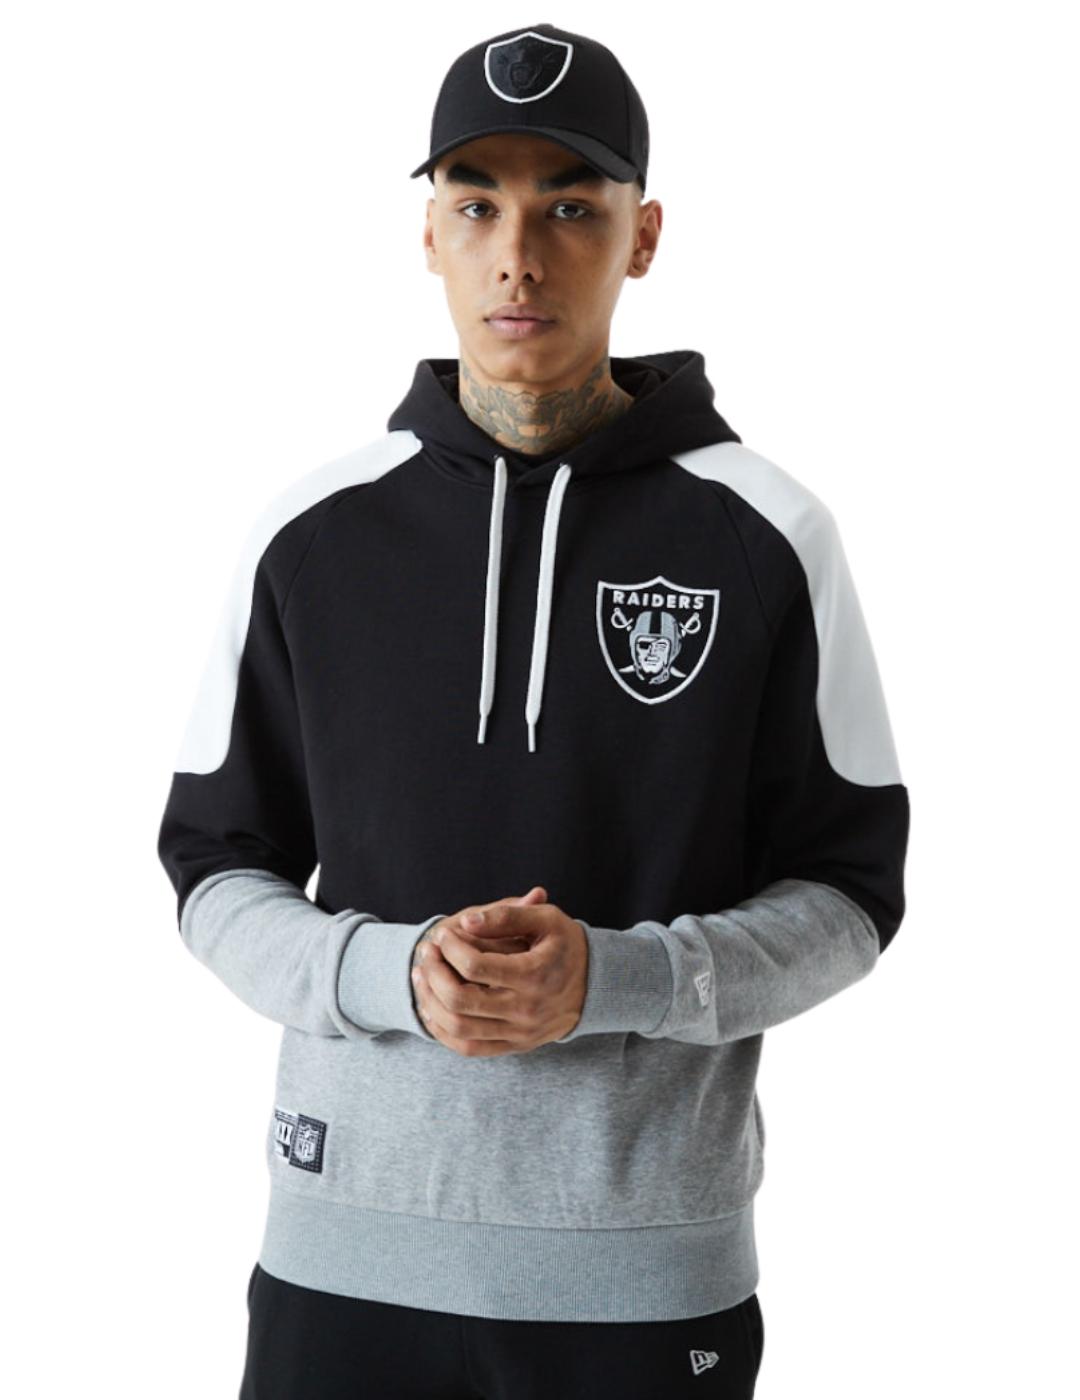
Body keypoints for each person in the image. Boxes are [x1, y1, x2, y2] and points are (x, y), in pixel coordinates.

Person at [156, 21, 910, 1400]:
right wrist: (389, 973)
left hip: (646, 1287)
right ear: (427, 234)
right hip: (339, 1267)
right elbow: (212, 872)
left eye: (571, 206)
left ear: (644, 235)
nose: (519, 254)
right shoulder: (313, 538)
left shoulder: (768, 536)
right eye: (477, 204)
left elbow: (851, 898)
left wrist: (611, 980)